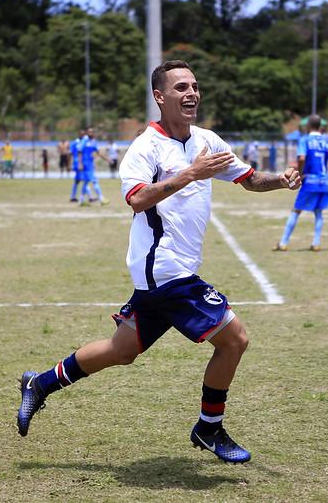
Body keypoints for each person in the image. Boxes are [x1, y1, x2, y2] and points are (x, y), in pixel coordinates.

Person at [16, 60, 302, 464]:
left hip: (162, 276)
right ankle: (209, 428)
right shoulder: (145, 147)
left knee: (122, 349)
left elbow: (249, 179)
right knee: (235, 339)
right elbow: (135, 199)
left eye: (195, 86)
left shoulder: (207, 140)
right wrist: (190, 173)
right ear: (160, 97)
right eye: (181, 87)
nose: (191, 93)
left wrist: (281, 181)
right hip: (167, 271)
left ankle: (40, 383)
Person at [274, 114, 328, 252]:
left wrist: (300, 173)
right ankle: (315, 243)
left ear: (308, 126)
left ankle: (283, 243)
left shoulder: (304, 140)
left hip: (310, 180)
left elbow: (302, 157)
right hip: (323, 182)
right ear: (320, 126)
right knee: (318, 213)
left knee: (296, 210)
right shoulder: (326, 141)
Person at [78, 128, 110, 205]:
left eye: (92, 132)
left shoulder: (93, 141)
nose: (91, 133)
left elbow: (98, 152)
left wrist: (107, 159)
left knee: (86, 182)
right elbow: (79, 151)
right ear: (87, 132)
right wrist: (80, 163)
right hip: (86, 164)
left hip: (90, 164)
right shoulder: (85, 140)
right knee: (94, 181)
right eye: (89, 132)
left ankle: (81, 201)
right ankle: (101, 199)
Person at [69, 131, 87, 202]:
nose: (82, 135)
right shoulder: (75, 143)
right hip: (78, 164)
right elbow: (71, 154)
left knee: (77, 181)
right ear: (79, 134)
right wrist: (70, 164)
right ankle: (90, 197)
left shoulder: (84, 142)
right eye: (81, 134)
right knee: (85, 180)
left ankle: (73, 196)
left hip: (81, 163)